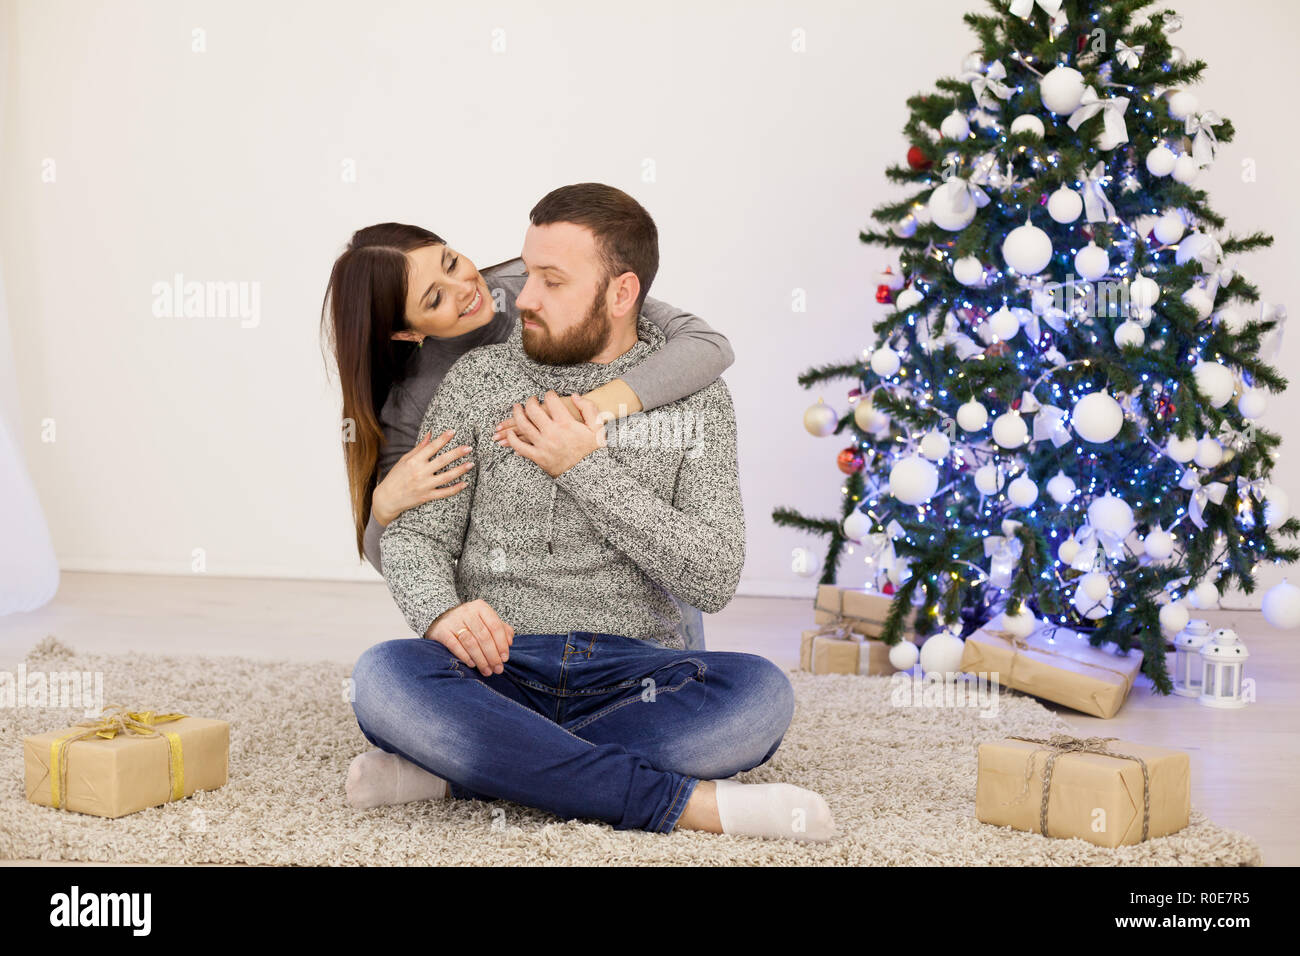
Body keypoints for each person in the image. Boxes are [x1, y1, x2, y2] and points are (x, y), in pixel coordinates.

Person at [348, 183, 835, 842]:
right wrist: (443, 609)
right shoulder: (474, 382)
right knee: (383, 675)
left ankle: (461, 770)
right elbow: (416, 542)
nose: (518, 298)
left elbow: (714, 578)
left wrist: (581, 466)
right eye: (526, 273)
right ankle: (681, 804)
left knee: (760, 697)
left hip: (641, 675)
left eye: (549, 281)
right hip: (498, 671)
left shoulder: (695, 400)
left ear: (621, 293)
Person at [321, 223, 725, 651]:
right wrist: (382, 508)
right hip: (514, 606)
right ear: (406, 332)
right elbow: (407, 557)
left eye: (452, 262)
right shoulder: (414, 400)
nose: (462, 288)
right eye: (435, 298)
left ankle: (678, 676)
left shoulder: (529, 282)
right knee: (386, 669)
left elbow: (706, 345)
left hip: (634, 563)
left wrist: (587, 407)